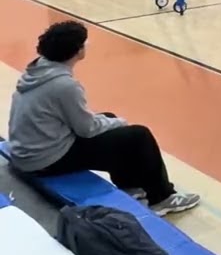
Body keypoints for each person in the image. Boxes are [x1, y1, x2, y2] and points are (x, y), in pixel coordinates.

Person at [7, 21, 200, 215]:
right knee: (139, 135)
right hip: (44, 161)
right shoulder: (64, 85)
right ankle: (163, 197)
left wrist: (111, 122)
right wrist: (119, 122)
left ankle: (130, 186)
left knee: (109, 121)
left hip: (26, 152)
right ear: (77, 50)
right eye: (84, 43)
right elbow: (87, 129)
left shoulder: (37, 70)